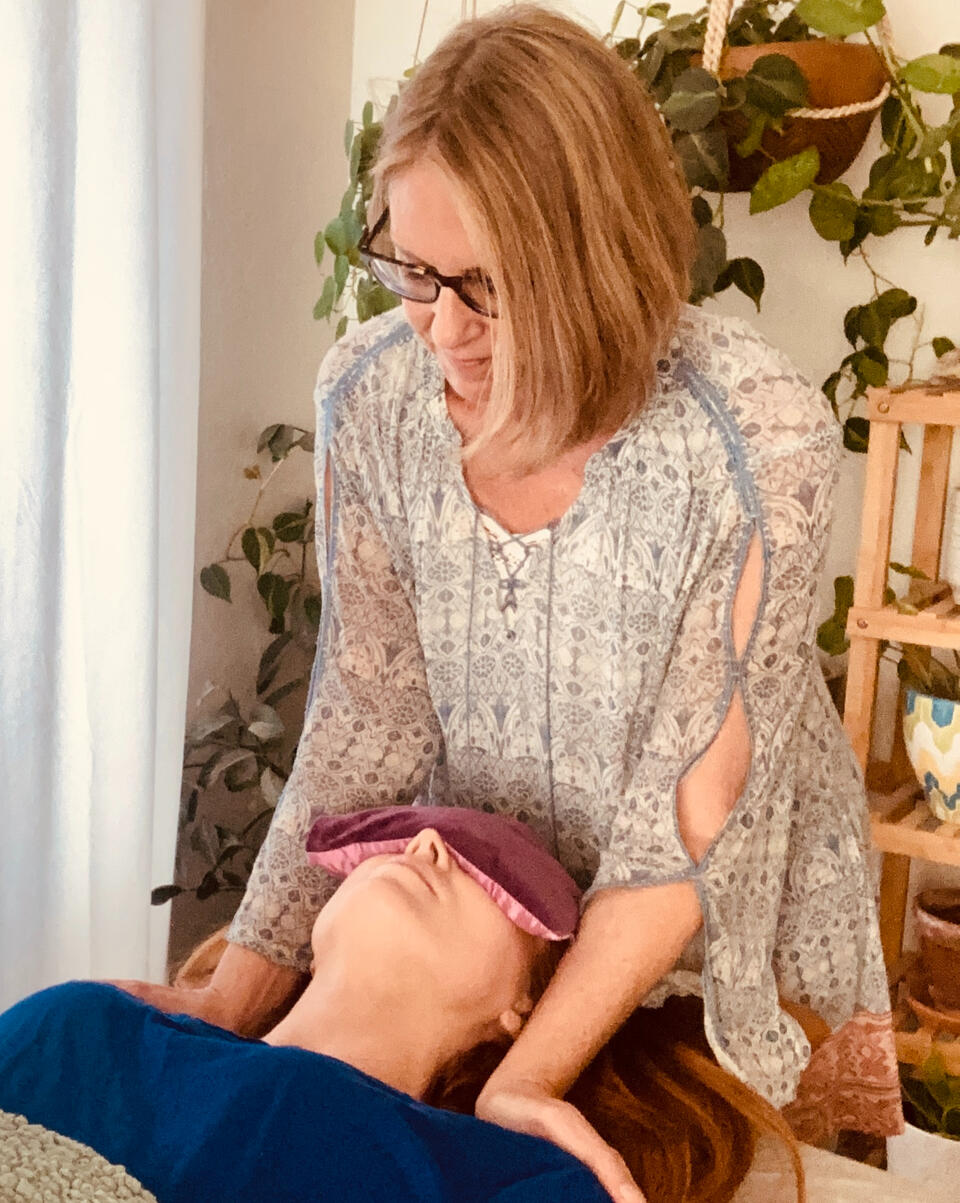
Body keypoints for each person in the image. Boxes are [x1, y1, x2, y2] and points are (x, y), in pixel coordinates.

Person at [116, 5, 903, 1197]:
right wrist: (232, 997)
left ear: (598, 260)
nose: (442, 329)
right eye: (413, 271)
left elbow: (689, 816)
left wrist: (526, 1080)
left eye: (485, 285)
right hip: (488, 918)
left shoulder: (753, 438)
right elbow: (367, 718)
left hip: (692, 933)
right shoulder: (372, 396)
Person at [0, 810, 803, 1203]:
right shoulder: (83, 1030)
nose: (425, 845)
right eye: (399, 836)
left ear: (525, 1006)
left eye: (491, 873)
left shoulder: (524, 1179)